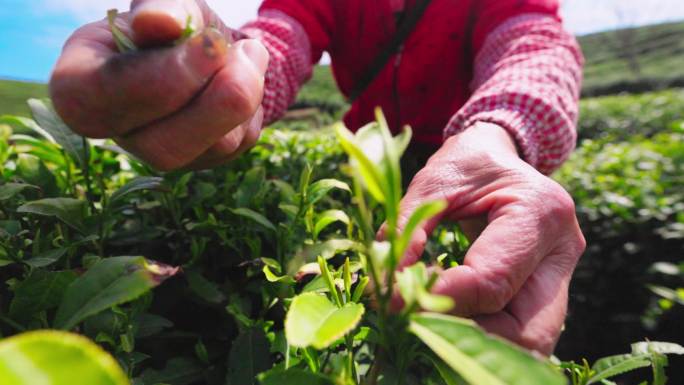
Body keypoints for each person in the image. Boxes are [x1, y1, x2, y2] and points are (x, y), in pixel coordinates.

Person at [49, 0, 586, 355]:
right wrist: (229, 72)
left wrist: (498, 130)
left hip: (465, 145)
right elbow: (281, 37)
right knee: (373, 271)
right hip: (370, 150)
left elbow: (534, 43)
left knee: (463, 286)